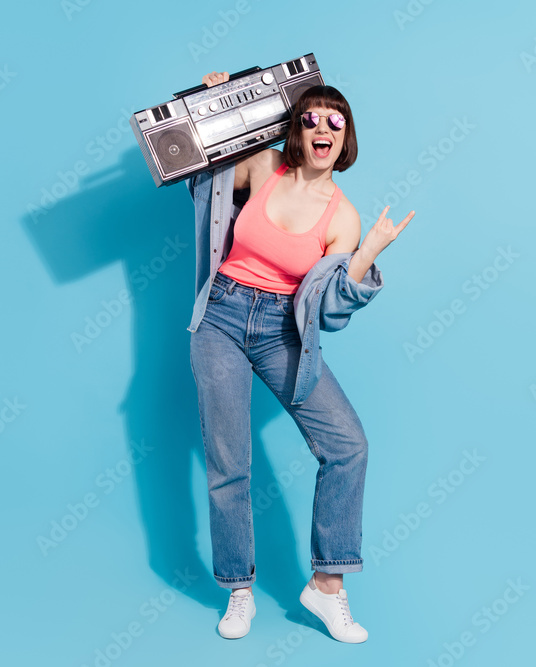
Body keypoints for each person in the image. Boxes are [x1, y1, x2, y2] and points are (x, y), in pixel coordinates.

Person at [187, 70, 413, 642]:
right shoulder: (265, 167)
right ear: (296, 128)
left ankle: (328, 586)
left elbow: (332, 310)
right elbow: (201, 173)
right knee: (228, 461)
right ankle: (239, 589)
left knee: (347, 445)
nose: (321, 127)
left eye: (333, 121)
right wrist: (212, 99)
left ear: (345, 138)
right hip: (221, 314)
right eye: (309, 117)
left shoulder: (343, 217)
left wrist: (367, 254)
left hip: (279, 330)